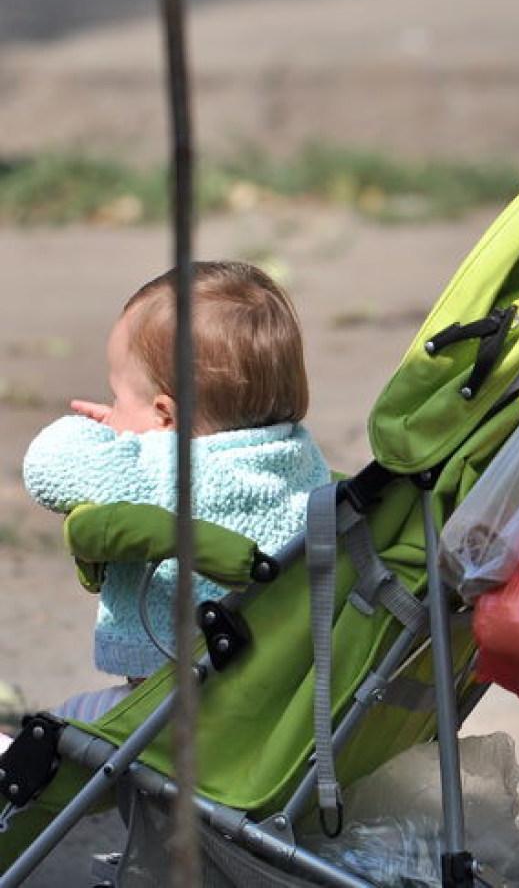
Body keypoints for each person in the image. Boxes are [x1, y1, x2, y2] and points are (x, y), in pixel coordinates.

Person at [15, 260, 331, 733]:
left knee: (43, 745)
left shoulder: (163, 470)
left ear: (165, 415)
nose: (112, 411)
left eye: (117, 397)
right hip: (277, 705)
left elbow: (47, 464)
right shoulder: (297, 457)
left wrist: (100, 434)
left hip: (171, 711)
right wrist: (128, 423)